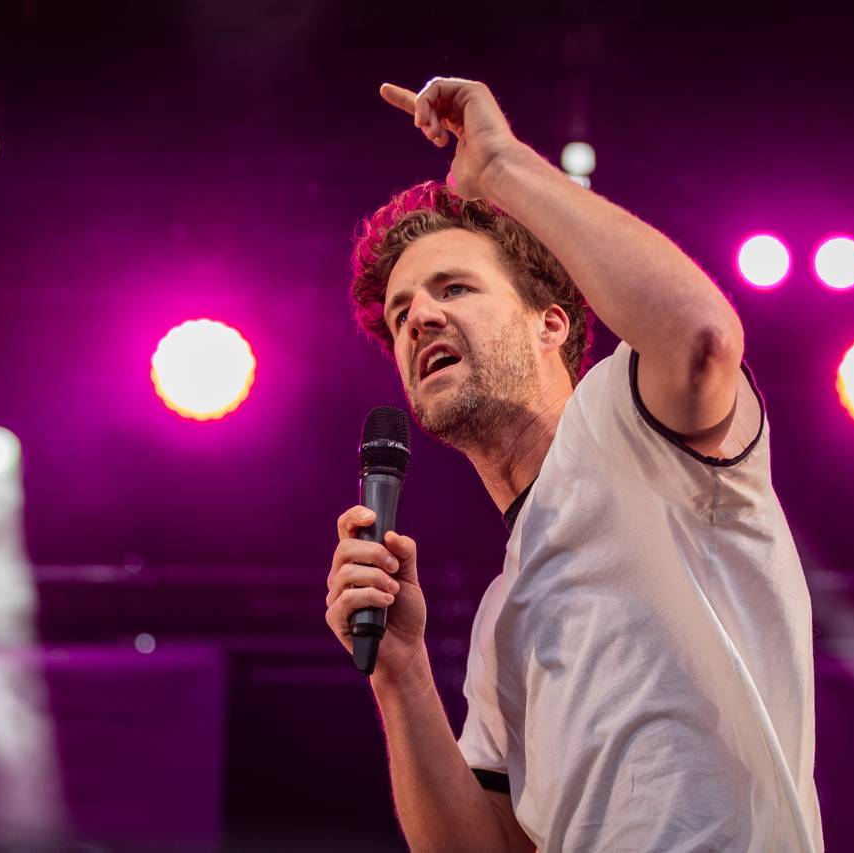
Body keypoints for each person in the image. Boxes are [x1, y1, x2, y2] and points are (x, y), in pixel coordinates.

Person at [324, 77, 822, 852]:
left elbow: (700, 338)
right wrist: (401, 673)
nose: (418, 316)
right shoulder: (502, 616)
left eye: (454, 286)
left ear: (551, 324)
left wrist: (500, 167)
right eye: (400, 313)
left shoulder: (625, 422)